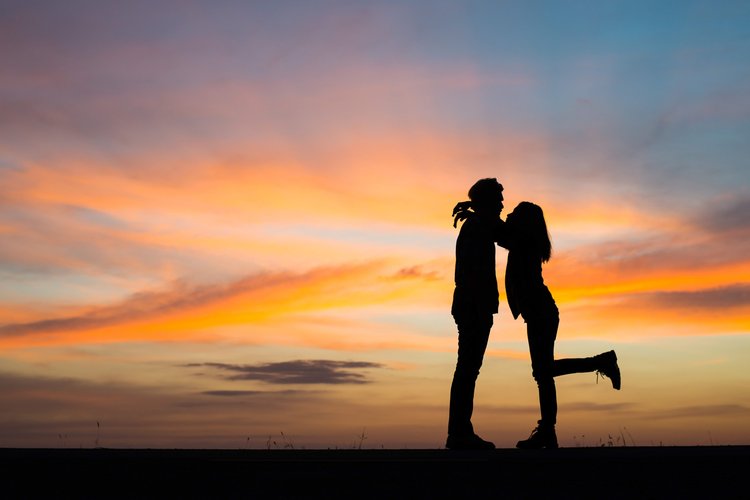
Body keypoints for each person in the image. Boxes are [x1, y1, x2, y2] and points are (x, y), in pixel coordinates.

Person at [501, 201, 621, 449]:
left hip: (541, 312)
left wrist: (478, 213)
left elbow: (500, 234)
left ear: (524, 221)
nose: (509, 214)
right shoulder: (524, 240)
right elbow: (502, 234)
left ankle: (601, 362)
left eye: (514, 213)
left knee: (542, 372)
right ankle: (547, 431)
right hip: (539, 312)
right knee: (543, 373)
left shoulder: (523, 241)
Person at [445, 178, 506, 450]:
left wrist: (476, 209)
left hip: (473, 306)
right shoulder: (478, 226)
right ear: (488, 201)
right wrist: (477, 210)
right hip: (473, 307)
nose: (503, 204)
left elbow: (505, 233)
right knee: (467, 369)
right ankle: (459, 433)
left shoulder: (479, 224)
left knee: (468, 369)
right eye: (498, 198)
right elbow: (511, 237)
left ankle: (460, 431)